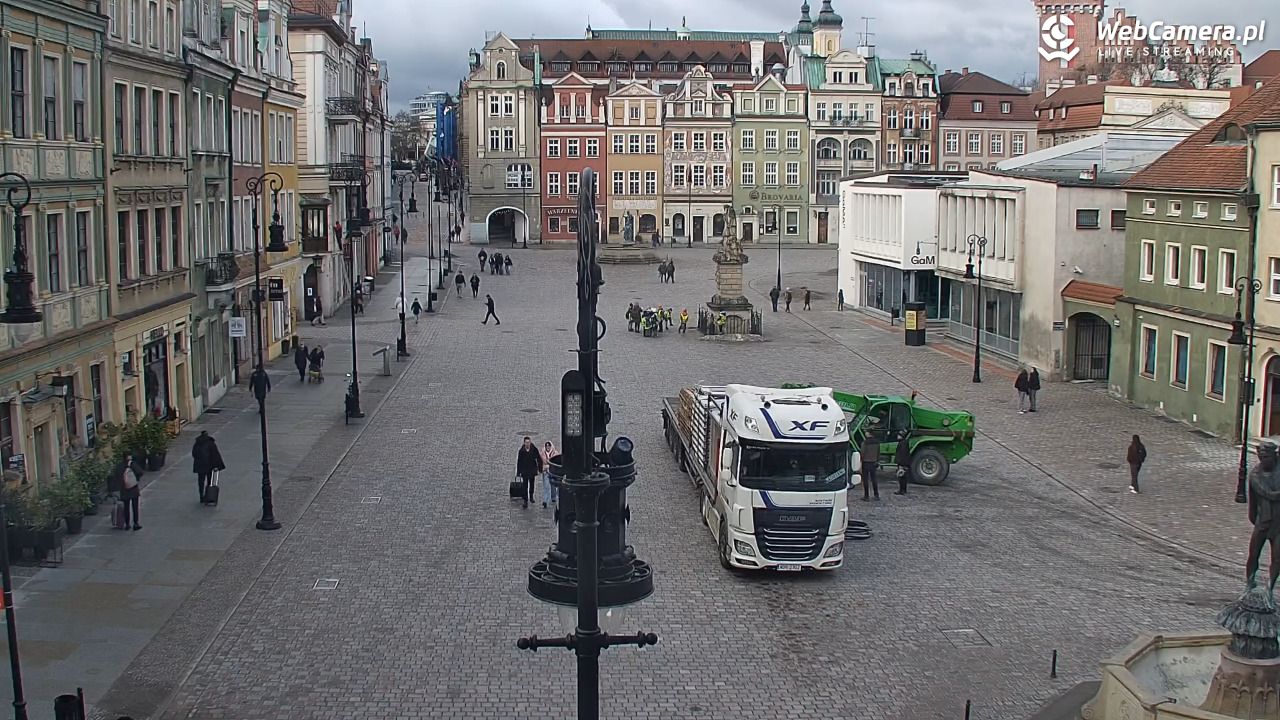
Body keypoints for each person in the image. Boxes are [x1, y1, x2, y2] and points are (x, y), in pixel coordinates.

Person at [192, 430, 226, 504]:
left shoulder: (197, 443)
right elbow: (215, 455)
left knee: (201, 481)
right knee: (209, 481)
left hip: (200, 466)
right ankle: (208, 495)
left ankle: (201, 496)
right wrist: (217, 465)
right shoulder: (211, 443)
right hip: (209, 465)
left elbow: (194, 454)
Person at [116, 453, 144, 530]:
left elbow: (116, 475)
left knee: (126, 507)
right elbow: (140, 472)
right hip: (133, 488)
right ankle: (135, 523)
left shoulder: (119, 466)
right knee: (135, 506)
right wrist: (136, 479)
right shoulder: (132, 464)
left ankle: (127, 524)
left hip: (124, 489)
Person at [516, 436, 542, 509]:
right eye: (526, 442)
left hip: (532, 470)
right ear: (524, 443)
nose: (527, 444)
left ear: (530, 442)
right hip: (524, 471)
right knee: (525, 486)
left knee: (532, 484)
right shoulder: (521, 451)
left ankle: (531, 496)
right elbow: (519, 462)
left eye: (528, 442)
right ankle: (525, 500)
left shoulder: (534, 449)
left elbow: (539, 458)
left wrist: (540, 469)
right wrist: (518, 472)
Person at [860, 429, 881, 501]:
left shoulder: (865, 443)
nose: (865, 433)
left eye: (866, 432)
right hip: (874, 462)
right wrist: (877, 460)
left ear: (869, 433)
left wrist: (860, 460)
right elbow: (878, 452)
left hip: (866, 462)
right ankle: (876, 495)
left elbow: (862, 453)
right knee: (874, 479)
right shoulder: (877, 442)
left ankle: (866, 496)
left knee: (865, 480)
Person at [540, 440, 559, 508]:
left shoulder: (555, 453)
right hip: (546, 472)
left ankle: (553, 498)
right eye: (546, 446)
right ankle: (545, 501)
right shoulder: (542, 453)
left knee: (553, 486)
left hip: (553, 472)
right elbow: (540, 463)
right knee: (546, 486)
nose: (548, 447)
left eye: (549, 446)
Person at [893, 431, 912, 496]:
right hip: (905, 462)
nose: (897, 436)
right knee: (904, 477)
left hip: (902, 462)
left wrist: (900, 463)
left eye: (899, 435)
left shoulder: (902, 443)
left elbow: (902, 454)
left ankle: (901, 490)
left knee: (901, 477)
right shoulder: (904, 442)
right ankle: (903, 490)